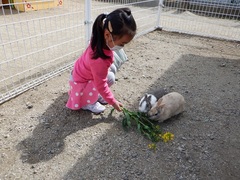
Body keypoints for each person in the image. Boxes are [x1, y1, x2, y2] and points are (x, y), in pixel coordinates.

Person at [66, 8, 137, 114]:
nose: (122, 47)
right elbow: (101, 84)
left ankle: (96, 95)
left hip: (79, 73)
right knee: (107, 79)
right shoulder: (99, 59)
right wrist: (113, 102)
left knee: (110, 75)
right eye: (122, 43)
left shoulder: (99, 37)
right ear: (108, 35)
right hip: (81, 81)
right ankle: (88, 102)